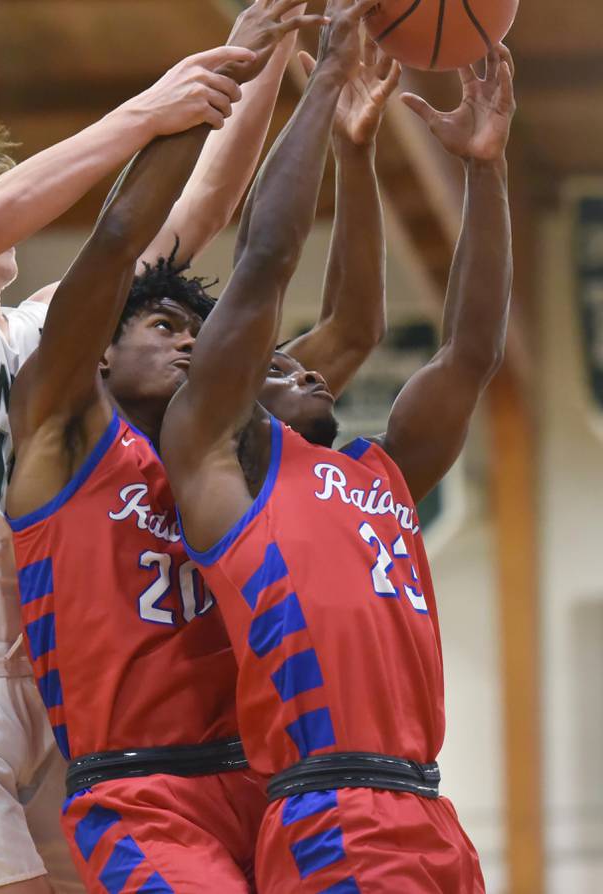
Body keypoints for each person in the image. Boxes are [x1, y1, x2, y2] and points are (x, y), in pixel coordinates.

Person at [0, 38, 260, 894]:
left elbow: (202, 208)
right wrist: (148, 110)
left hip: (49, 682)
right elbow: (4, 219)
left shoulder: (43, 334)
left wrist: (266, 43)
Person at [160, 1, 516, 889]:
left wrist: (486, 170)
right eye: (278, 367)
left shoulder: (382, 472)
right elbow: (267, 258)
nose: (309, 370)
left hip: (433, 812)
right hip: (333, 815)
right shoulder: (222, 465)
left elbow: (470, 351)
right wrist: (320, 82)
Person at [5, 3, 352, 890]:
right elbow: (120, 241)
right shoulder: (61, 426)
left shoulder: (221, 456)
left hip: (266, 785)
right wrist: (211, 82)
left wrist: (352, 138)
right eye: (162, 324)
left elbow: (340, 327)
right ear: (102, 351)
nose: (188, 342)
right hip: (141, 791)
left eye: (194, 329)